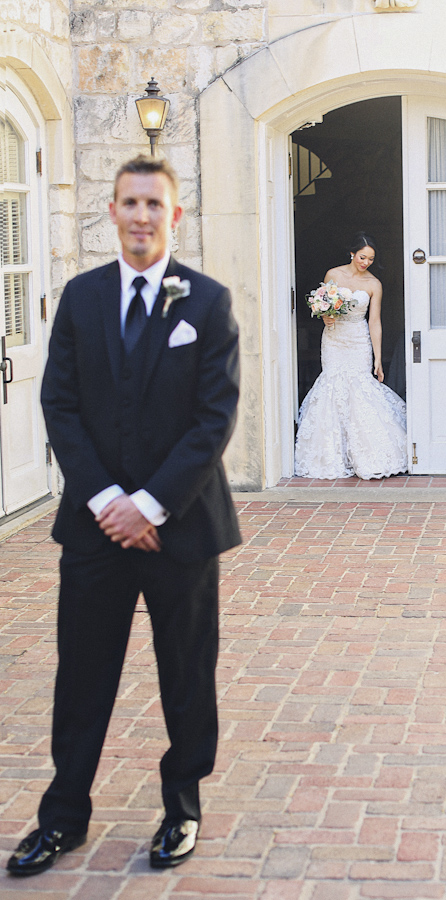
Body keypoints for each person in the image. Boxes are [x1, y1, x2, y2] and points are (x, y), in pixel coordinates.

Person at [7, 156, 241, 876]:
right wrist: (108, 500)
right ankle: (63, 817)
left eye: (154, 204)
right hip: (95, 531)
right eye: (129, 202)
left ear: (175, 216)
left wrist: (150, 504)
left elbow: (214, 417)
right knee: (82, 673)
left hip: (183, 528)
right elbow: (60, 405)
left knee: (186, 673)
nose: (141, 215)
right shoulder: (79, 299)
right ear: (111, 212)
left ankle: (182, 808)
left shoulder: (206, 303)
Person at [295, 232, 408, 479]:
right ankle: (333, 454)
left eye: (370, 259)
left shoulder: (374, 284)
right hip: (334, 338)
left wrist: (378, 358)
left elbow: (374, 322)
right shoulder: (333, 275)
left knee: (359, 388)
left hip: (358, 340)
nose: (365, 262)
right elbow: (323, 304)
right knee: (333, 386)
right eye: (362, 257)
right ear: (352, 253)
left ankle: (366, 454)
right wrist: (324, 315)